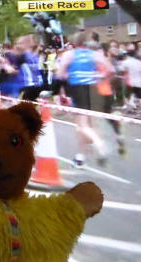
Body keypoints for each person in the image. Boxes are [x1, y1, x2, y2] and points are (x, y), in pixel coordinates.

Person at [57, 32, 111, 167]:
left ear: (74, 43)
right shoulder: (94, 55)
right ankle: (81, 157)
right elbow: (110, 69)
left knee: (82, 125)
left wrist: (68, 76)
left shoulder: (69, 55)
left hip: (78, 89)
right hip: (93, 88)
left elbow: (60, 74)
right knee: (86, 125)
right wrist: (100, 76)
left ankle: (101, 145)